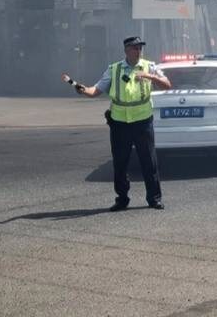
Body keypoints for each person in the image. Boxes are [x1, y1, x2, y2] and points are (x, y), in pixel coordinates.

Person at [62, 36, 172, 211]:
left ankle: (154, 198)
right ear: (126, 50)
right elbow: (95, 90)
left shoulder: (149, 66)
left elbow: (167, 85)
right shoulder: (114, 69)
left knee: (149, 161)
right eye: (135, 48)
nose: (138, 51)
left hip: (142, 122)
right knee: (120, 163)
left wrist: (149, 76)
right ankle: (122, 199)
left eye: (140, 48)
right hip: (120, 123)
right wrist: (83, 89)